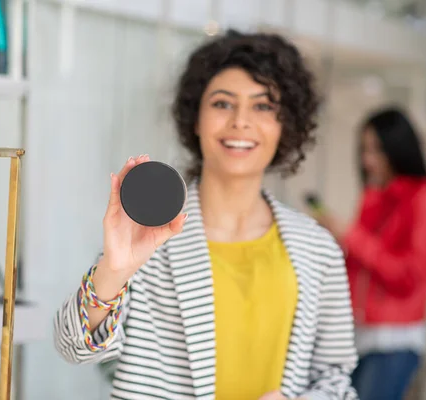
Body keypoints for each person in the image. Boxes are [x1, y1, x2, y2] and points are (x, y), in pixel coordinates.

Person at [54, 30, 358, 400]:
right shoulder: (149, 238)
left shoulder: (318, 248)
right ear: (195, 119)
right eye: (222, 104)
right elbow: (73, 347)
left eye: (263, 106)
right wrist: (114, 271)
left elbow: (335, 377)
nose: (240, 122)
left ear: (285, 125)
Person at [313, 107, 426, 400]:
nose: (367, 160)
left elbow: (409, 277)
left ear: (397, 149)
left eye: (377, 150)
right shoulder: (373, 197)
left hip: (394, 341)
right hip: (355, 333)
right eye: (364, 149)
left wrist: (351, 235)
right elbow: (359, 264)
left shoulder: (425, 200)